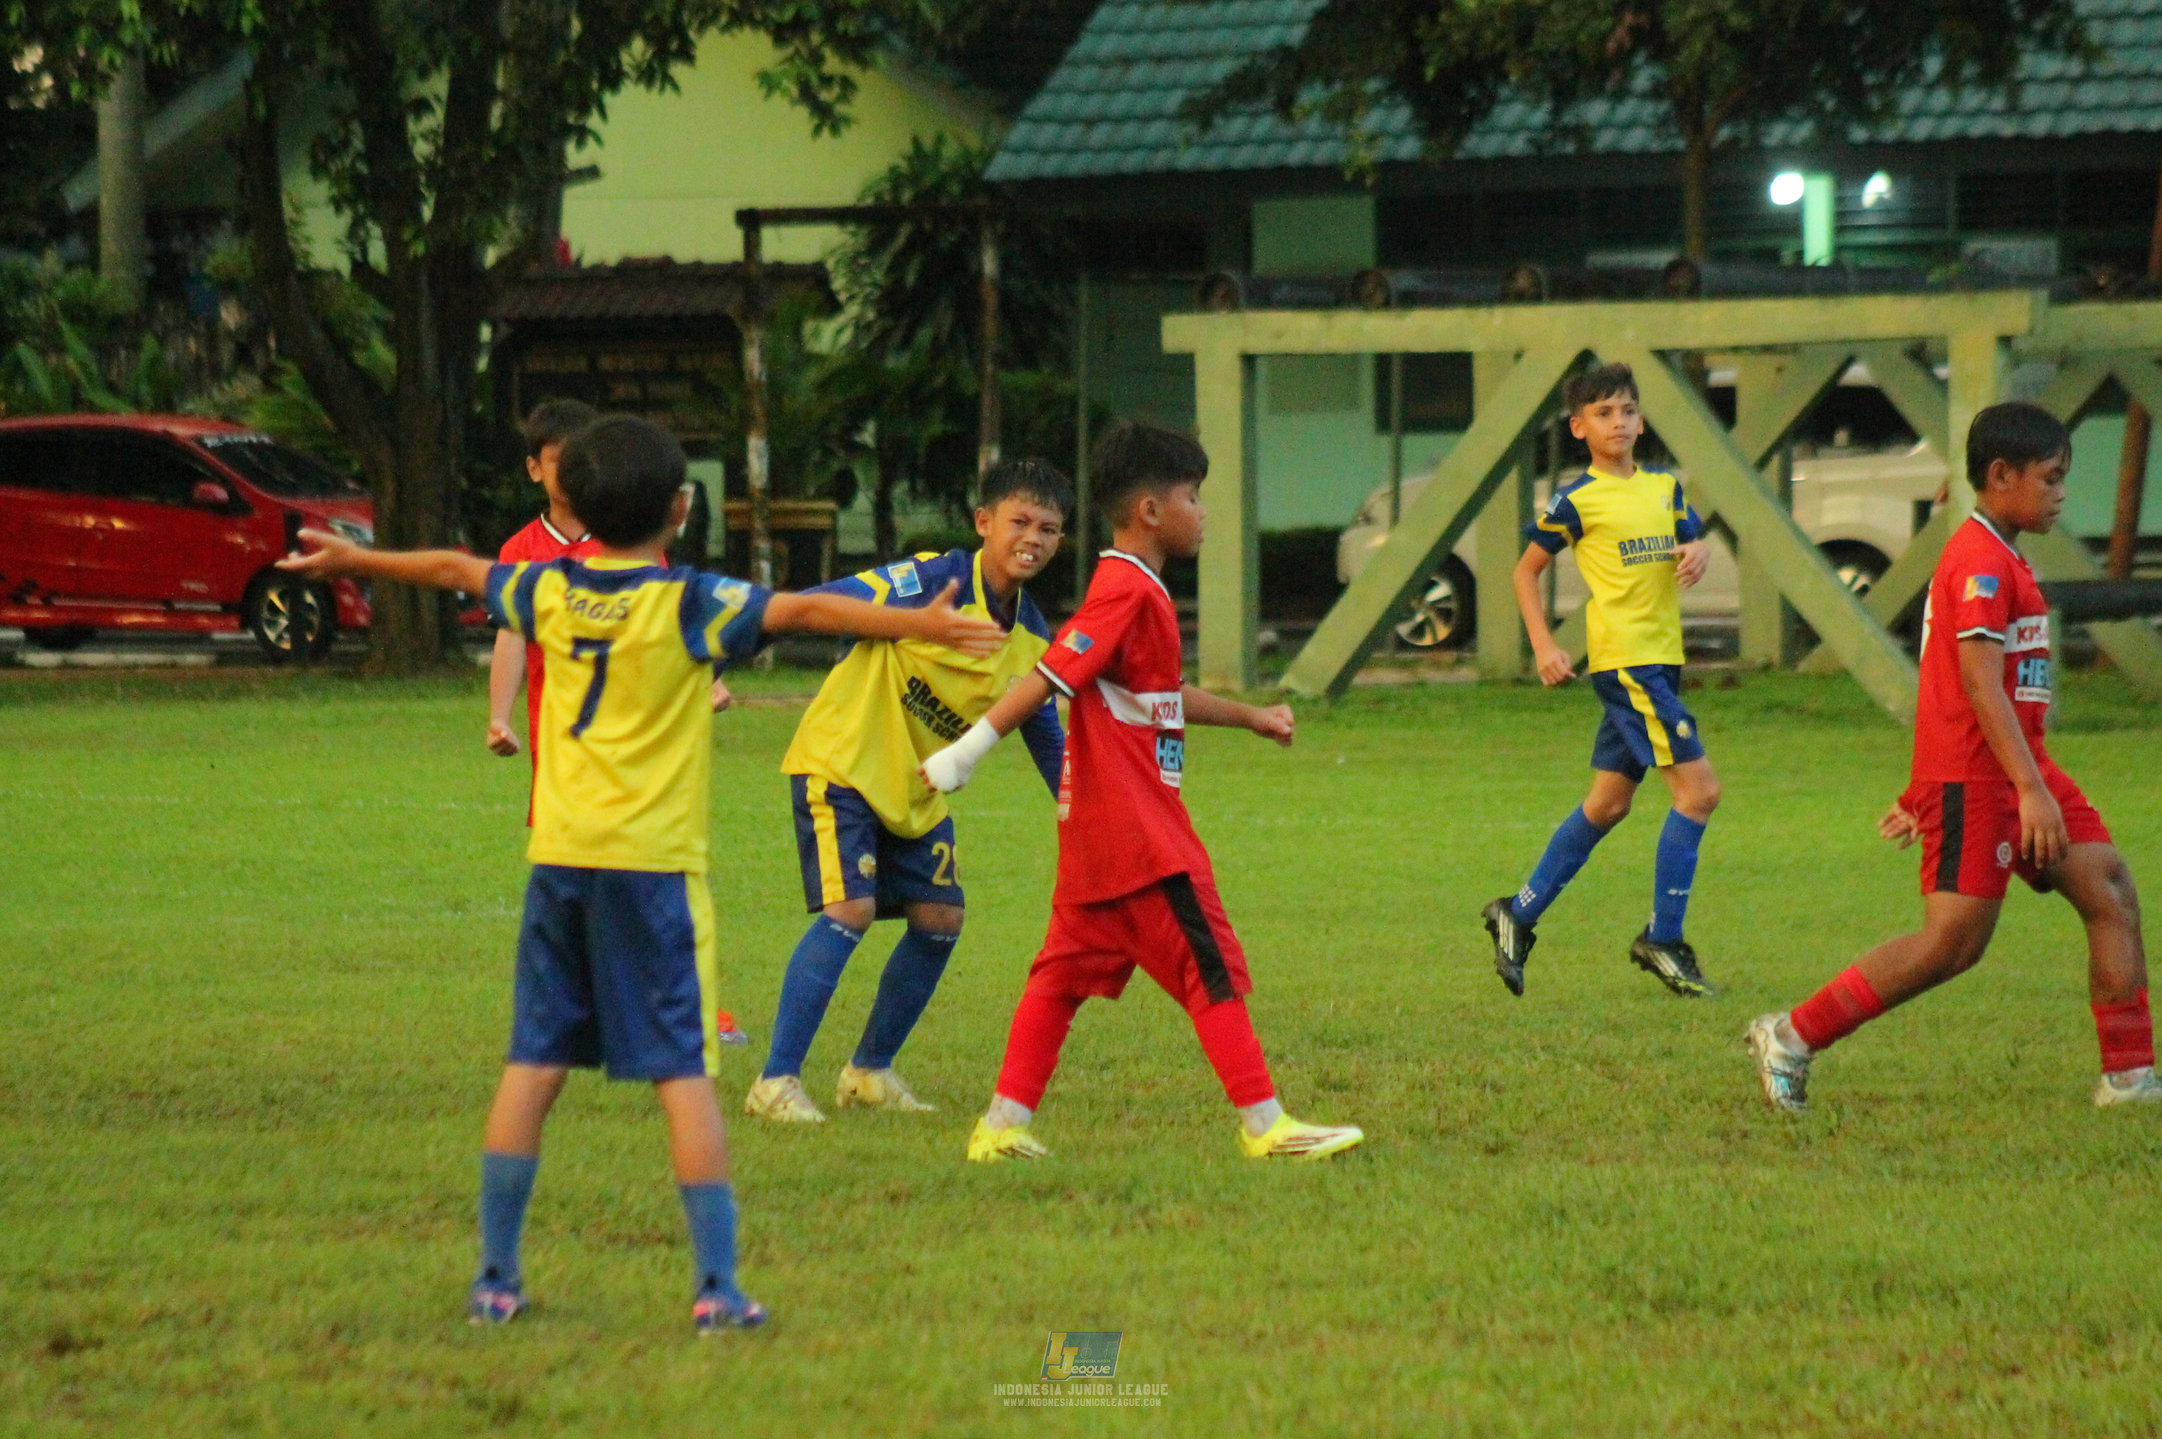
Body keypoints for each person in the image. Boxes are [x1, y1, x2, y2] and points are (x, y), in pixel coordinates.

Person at [278, 414, 1004, 1330]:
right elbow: (806, 611)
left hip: (560, 867)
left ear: (571, 501)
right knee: (684, 1075)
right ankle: (717, 1289)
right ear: (681, 507)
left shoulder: (547, 590)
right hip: (652, 877)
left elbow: (457, 573)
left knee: (533, 1065)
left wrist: (356, 564)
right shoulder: (689, 602)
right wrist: (919, 620)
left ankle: (495, 1277)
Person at [918, 420, 1364, 1163]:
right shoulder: (1125, 586)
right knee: (1206, 961)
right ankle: (1266, 1124)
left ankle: (999, 1126)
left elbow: (1159, 692)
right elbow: (1054, 671)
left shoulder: (1137, 590)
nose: (1204, 511)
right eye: (1194, 495)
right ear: (1153, 510)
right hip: (1141, 837)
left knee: (1059, 977)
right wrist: (967, 753)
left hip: (1097, 836)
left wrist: (1250, 716)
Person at [1747, 402, 2155, 1112]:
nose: (2061, 492)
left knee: (2109, 886)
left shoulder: (2002, 552)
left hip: (2018, 769)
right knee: (1952, 945)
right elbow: (1974, 678)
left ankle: (2130, 1078)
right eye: (2052, 478)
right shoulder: (1978, 560)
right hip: (1984, 777)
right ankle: (1790, 1033)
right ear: (2001, 476)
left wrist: (2017, 782)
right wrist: (2012, 790)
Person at [744, 460, 1071, 1123]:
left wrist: (1077, 805)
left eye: (1049, 527)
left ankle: (868, 1070)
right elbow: (818, 602)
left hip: (914, 793)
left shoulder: (1032, 630)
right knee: (851, 910)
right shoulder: (927, 580)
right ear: (984, 522)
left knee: (940, 918)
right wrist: (715, 661)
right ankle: (774, 1081)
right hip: (842, 763)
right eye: (1019, 521)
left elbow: (1039, 720)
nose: (1032, 537)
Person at [1481, 361, 1720, 999]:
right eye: (1605, 413)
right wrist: (1543, 645)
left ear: (1641, 421)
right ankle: (1663, 939)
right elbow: (1523, 572)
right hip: (1627, 664)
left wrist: (1697, 549)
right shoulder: (1577, 501)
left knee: (1608, 804)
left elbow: (1690, 540)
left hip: (1661, 660)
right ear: (1579, 427)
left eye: (1628, 411)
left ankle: (1518, 913)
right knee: (1698, 794)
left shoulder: (1664, 489)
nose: (1620, 422)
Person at [487, 398, 600, 769]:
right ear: (535, 469)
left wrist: (708, 680)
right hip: (553, 733)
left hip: (630, 731)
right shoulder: (520, 551)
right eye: (559, 462)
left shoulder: (629, 540)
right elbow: (511, 634)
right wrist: (500, 719)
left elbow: (670, 621)